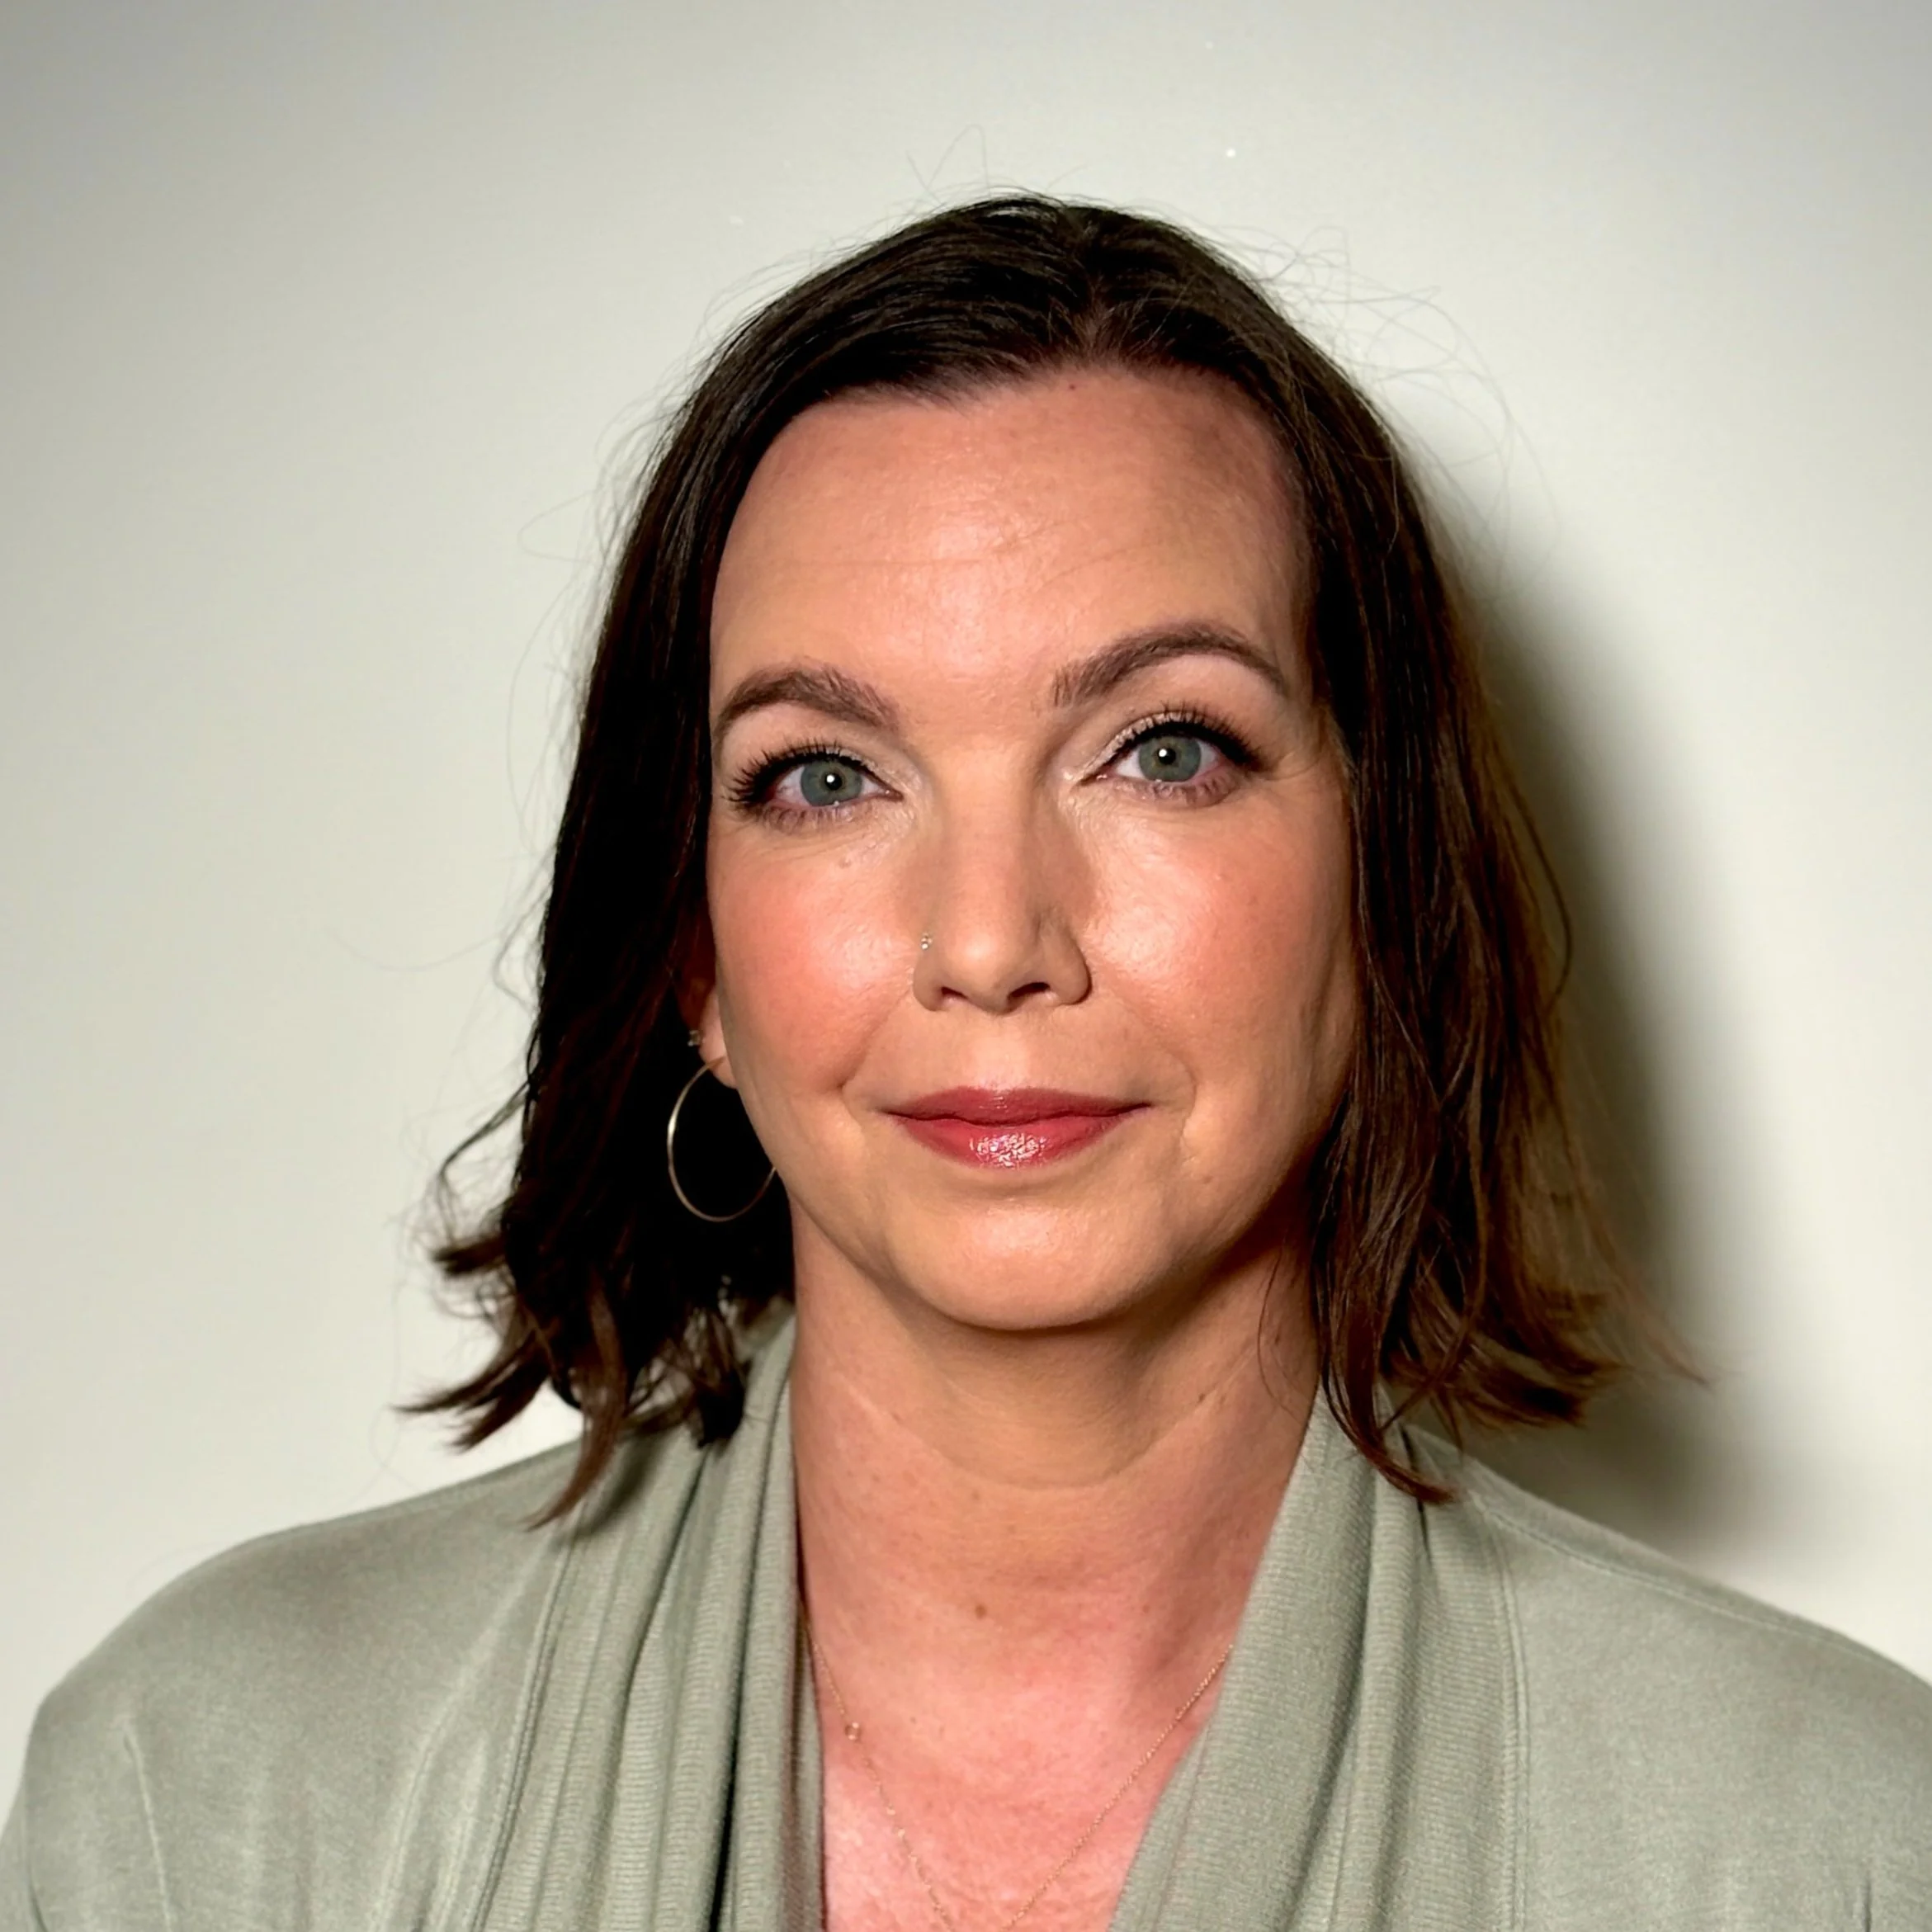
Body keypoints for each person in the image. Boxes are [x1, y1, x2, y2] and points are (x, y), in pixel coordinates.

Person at [3, 195, 1927, 1932]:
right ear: (695, 953)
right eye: (825, 780)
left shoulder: (1831, 1854)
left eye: (1165, 750)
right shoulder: (218, 1801)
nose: (994, 940)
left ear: (1385, 880)